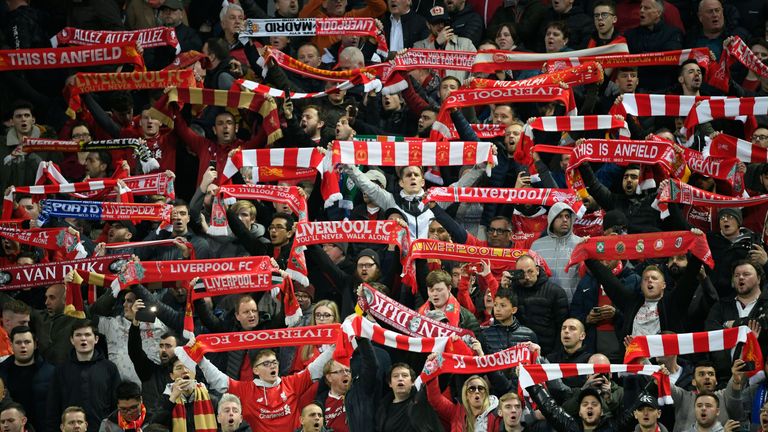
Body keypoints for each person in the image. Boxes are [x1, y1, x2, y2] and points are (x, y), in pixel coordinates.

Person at [180, 344, 335, 430]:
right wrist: (200, 359)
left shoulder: (291, 383)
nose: (272, 366)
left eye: (274, 362)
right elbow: (218, 379)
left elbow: (315, 368)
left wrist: (334, 346)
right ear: (255, 370)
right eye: (266, 364)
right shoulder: (245, 389)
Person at [46, 320, 121, 432]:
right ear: (72, 340)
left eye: (87, 334)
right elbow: (53, 407)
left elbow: (117, 404)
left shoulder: (109, 368)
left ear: (96, 339)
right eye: (78, 335)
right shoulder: (61, 370)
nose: (83, 338)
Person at [511, 255, 569, 356]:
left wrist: (554, 356)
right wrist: (503, 288)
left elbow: (563, 327)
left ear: (537, 270)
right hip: (517, 353)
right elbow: (500, 319)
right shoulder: (511, 292)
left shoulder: (555, 292)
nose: (527, 277)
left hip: (548, 353)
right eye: (522, 273)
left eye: (530, 271)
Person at [0, 326, 54, 432]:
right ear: (11, 345)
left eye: (27, 342)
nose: (23, 346)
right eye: (18, 342)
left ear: (35, 344)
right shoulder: (1, 371)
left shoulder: (50, 372)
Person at [531, 202, 582, 302]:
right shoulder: (537, 245)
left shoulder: (580, 244)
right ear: (551, 219)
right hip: (544, 305)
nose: (565, 220)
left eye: (567, 216)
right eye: (559, 216)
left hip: (572, 304)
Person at [374, 363, 444, 432]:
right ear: (390, 383)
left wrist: (432, 362)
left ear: (412, 382)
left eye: (405, 375)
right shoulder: (382, 408)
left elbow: (431, 384)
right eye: (395, 376)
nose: (400, 379)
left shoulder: (421, 401)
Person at [414, 7, 477, 82]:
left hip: (457, 90)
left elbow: (477, 67)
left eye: (443, 22)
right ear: (428, 24)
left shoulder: (466, 44)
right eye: (436, 22)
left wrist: (469, 82)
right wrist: (436, 44)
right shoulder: (418, 46)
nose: (441, 26)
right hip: (430, 92)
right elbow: (417, 75)